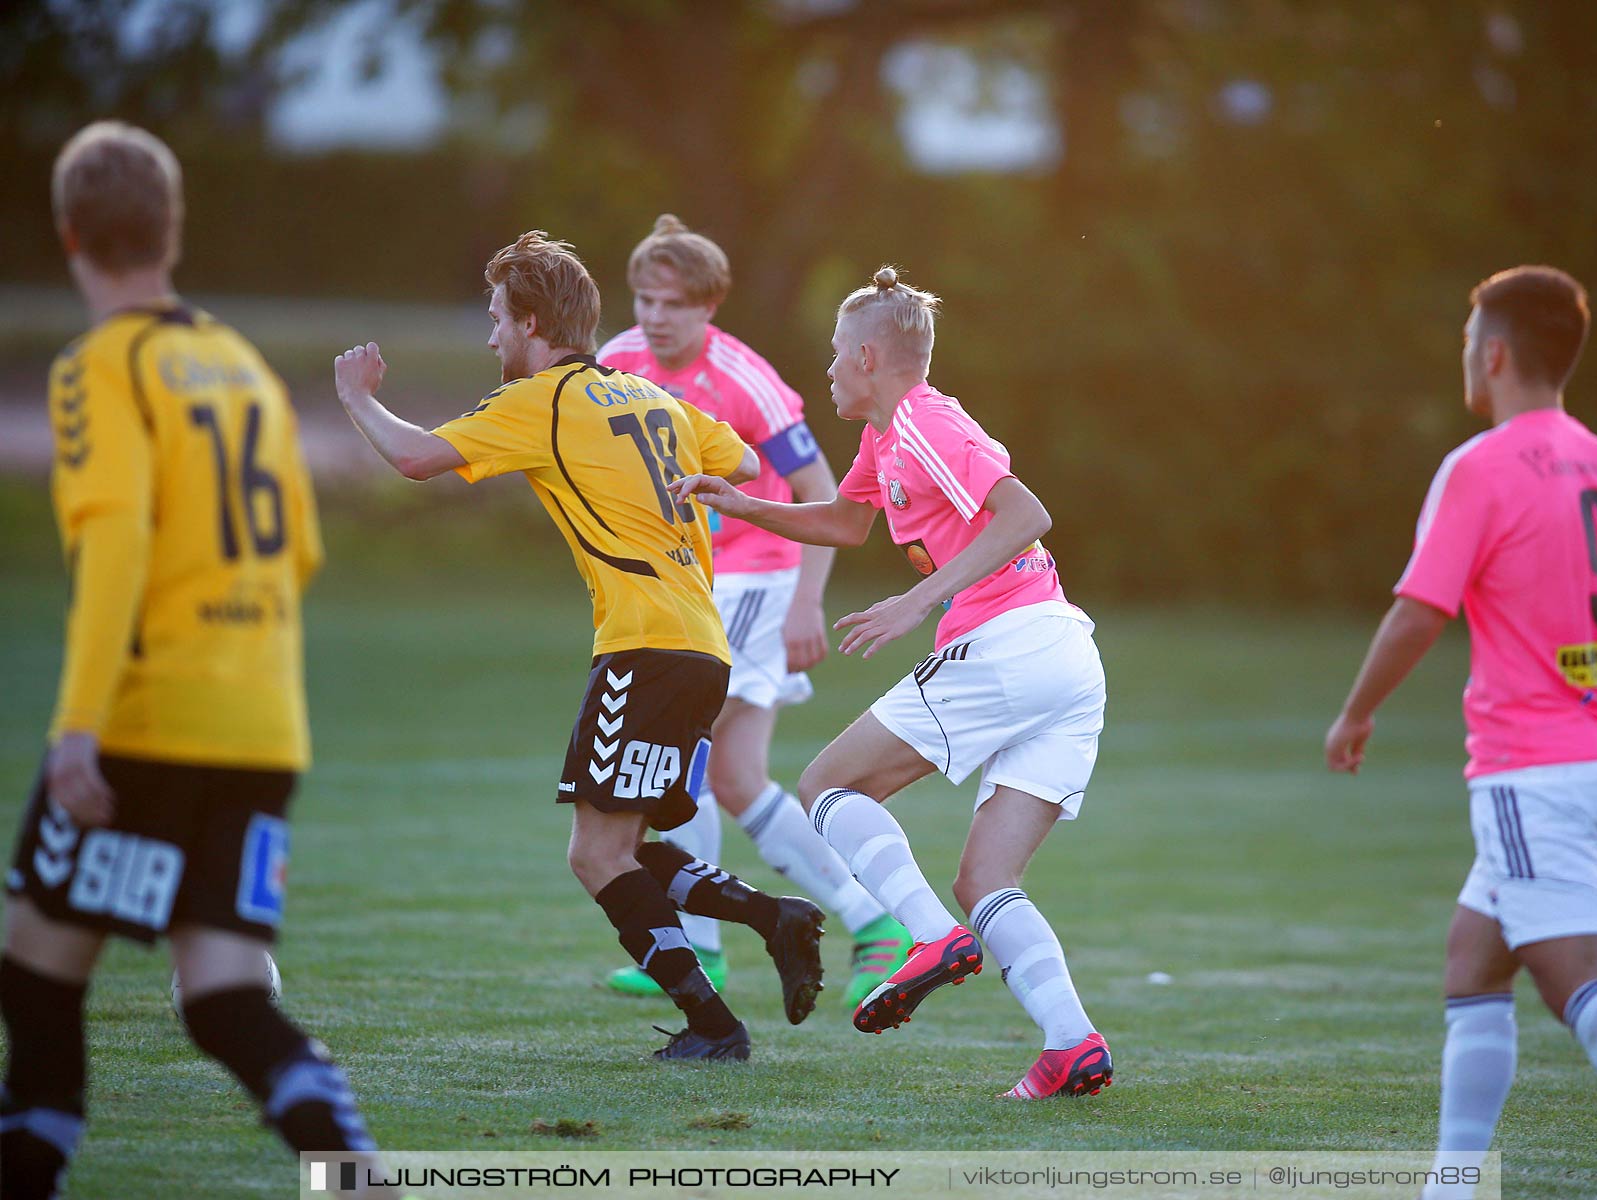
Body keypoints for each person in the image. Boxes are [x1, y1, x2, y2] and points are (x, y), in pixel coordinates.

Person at [2, 121, 393, 1199]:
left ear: (70, 234)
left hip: (145, 718)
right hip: (261, 723)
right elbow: (300, 545)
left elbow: (116, 545)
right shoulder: (240, 365)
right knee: (222, 994)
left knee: (35, 974)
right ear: (171, 230)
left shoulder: (100, 369)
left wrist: (78, 725)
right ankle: (353, 1175)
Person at [332, 230, 825, 1062]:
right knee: (623, 844)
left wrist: (357, 396)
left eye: (496, 318)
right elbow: (742, 459)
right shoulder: (647, 396)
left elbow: (417, 458)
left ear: (531, 322)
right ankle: (777, 919)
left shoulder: (544, 401)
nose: (492, 337)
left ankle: (717, 1027)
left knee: (596, 855)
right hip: (703, 645)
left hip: (642, 647)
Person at [1323, 267, 1597, 1200]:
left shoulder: (1479, 467)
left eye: (1467, 339)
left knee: (1575, 978)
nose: (1465, 356)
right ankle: (1453, 1183)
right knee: (1474, 960)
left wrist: (1357, 713)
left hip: (1533, 773)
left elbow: (1417, 613)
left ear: (1496, 353)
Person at [672, 267, 1112, 1099]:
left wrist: (917, 601)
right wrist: (743, 504)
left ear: (869, 357)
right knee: (987, 879)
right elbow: (844, 522)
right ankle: (1071, 1043)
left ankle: (927, 937)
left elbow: (1026, 515)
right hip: (1064, 662)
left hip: (1012, 642)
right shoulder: (885, 439)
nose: (830, 369)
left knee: (826, 784)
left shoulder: (928, 421)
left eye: (837, 355)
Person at [598, 215, 908, 1009]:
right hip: (687, 580)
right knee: (734, 777)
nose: (654, 316)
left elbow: (822, 491)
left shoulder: (746, 377)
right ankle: (874, 922)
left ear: (708, 307)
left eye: (671, 302)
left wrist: (808, 599)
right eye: (642, 299)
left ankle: (700, 949)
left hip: (753, 577)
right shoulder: (617, 362)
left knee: (676, 750)